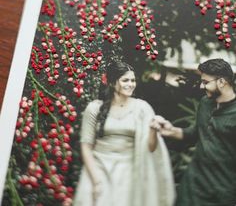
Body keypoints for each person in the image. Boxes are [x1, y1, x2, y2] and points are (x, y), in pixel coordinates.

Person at [73, 61, 175, 206]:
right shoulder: (94, 108)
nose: (131, 84)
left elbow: (151, 148)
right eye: (125, 80)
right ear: (112, 82)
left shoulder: (142, 108)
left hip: (129, 173)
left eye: (133, 80)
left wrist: (153, 130)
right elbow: (86, 145)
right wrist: (96, 181)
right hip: (97, 169)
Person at [156, 58, 236, 206]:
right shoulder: (206, 103)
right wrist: (171, 130)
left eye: (206, 82)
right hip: (193, 185)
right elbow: (195, 133)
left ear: (222, 82)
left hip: (223, 192)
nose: (201, 86)